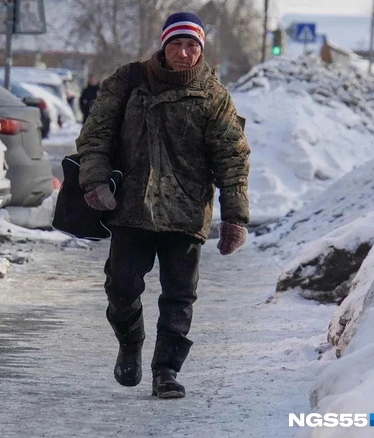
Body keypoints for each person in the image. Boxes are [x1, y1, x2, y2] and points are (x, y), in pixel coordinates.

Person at [76, 12, 250, 399]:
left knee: (179, 294)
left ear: (201, 50)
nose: (184, 53)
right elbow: (96, 134)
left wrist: (235, 215)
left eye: (192, 46)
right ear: (163, 45)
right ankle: (130, 341)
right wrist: (94, 180)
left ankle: (166, 371)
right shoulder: (129, 80)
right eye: (177, 44)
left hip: (186, 210)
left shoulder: (214, 97)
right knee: (120, 287)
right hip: (131, 207)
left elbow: (232, 158)